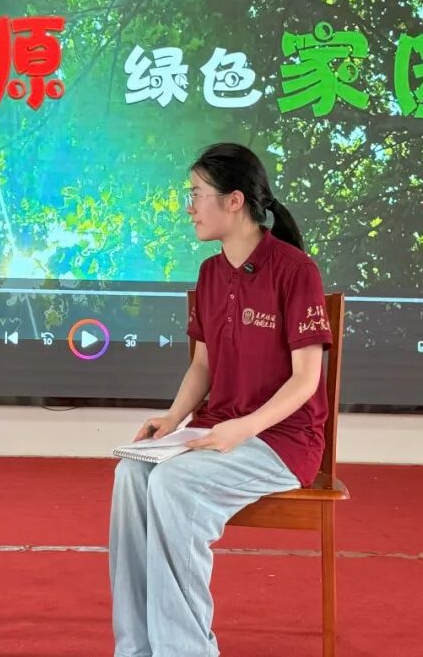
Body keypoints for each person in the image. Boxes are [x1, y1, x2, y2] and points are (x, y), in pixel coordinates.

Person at [109, 142, 333, 657]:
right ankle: (136, 648)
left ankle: (185, 650)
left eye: (196, 194)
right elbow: (203, 366)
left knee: (175, 483)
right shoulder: (210, 275)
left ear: (234, 201)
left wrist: (243, 428)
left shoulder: (296, 270)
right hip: (216, 431)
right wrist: (172, 418)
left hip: (281, 441)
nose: (189, 207)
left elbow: (306, 381)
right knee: (131, 474)